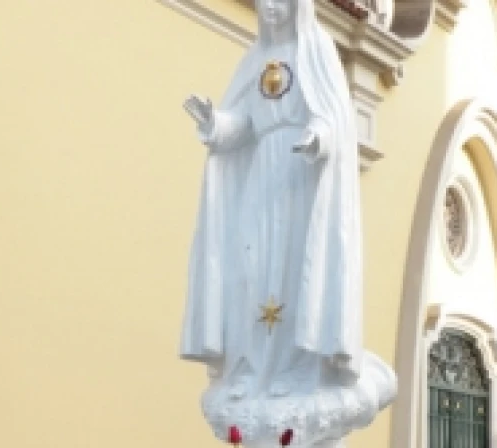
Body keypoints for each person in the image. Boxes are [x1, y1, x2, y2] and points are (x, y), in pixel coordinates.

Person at [180, 0, 394, 444]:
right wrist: (215, 123)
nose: (272, 9)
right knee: (251, 276)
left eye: (282, 2)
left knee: (299, 277)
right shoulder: (253, 61)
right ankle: (251, 370)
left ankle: (294, 371)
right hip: (261, 180)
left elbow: (333, 117)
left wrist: (319, 136)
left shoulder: (316, 52)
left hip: (303, 185)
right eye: (266, 1)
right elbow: (243, 124)